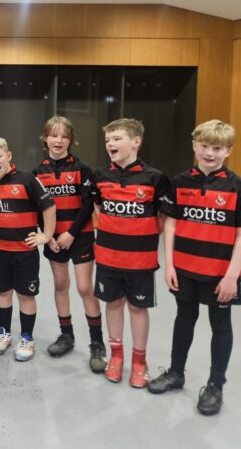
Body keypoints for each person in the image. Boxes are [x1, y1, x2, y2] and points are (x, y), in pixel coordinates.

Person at [148, 120, 241, 415]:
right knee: (184, 319)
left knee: (221, 327)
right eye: (204, 146)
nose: (209, 153)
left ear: (227, 150)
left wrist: (232, 276)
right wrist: (169, 265)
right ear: (194, 146)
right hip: (185, 269)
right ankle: (176, 372)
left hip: (220, 275)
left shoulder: (236, 185)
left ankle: (216, 385)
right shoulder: (179, 182)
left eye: (216, 148)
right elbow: (171, 224)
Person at [92, 118, 169, 388]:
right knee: (112, 304)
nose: (110, 144)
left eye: (117, 139)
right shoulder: (101, 176)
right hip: (108, 258)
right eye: (108, 140)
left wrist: (139, 235)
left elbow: (162, 219)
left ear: (136, 141)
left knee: (137, 307)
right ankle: (116, 357)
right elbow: (100, 210)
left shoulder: (155, 178)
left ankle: (139, 361)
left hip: (140, 260)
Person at [33, 116, 106, 373]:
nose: (59, 140)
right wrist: (48, 235)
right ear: (45, 138)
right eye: (54, 135)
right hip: (54, 239)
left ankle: (97, 344)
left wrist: (71, 234)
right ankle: (67, 335)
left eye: (64, 136)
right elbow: (38, 210)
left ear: (71, 140)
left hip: (80, 236)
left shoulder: (82, 169)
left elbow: (88, 206)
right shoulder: (37, 172)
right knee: (61, 284)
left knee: (86, 288)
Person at [0, 135, 56, 362]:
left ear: (9, 156)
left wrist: (47, 235)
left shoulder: (27, 179)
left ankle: (27, 337)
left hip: (25, 252)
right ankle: (4, 333)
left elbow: (49, 207)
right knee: (2, 292)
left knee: (25, 295)